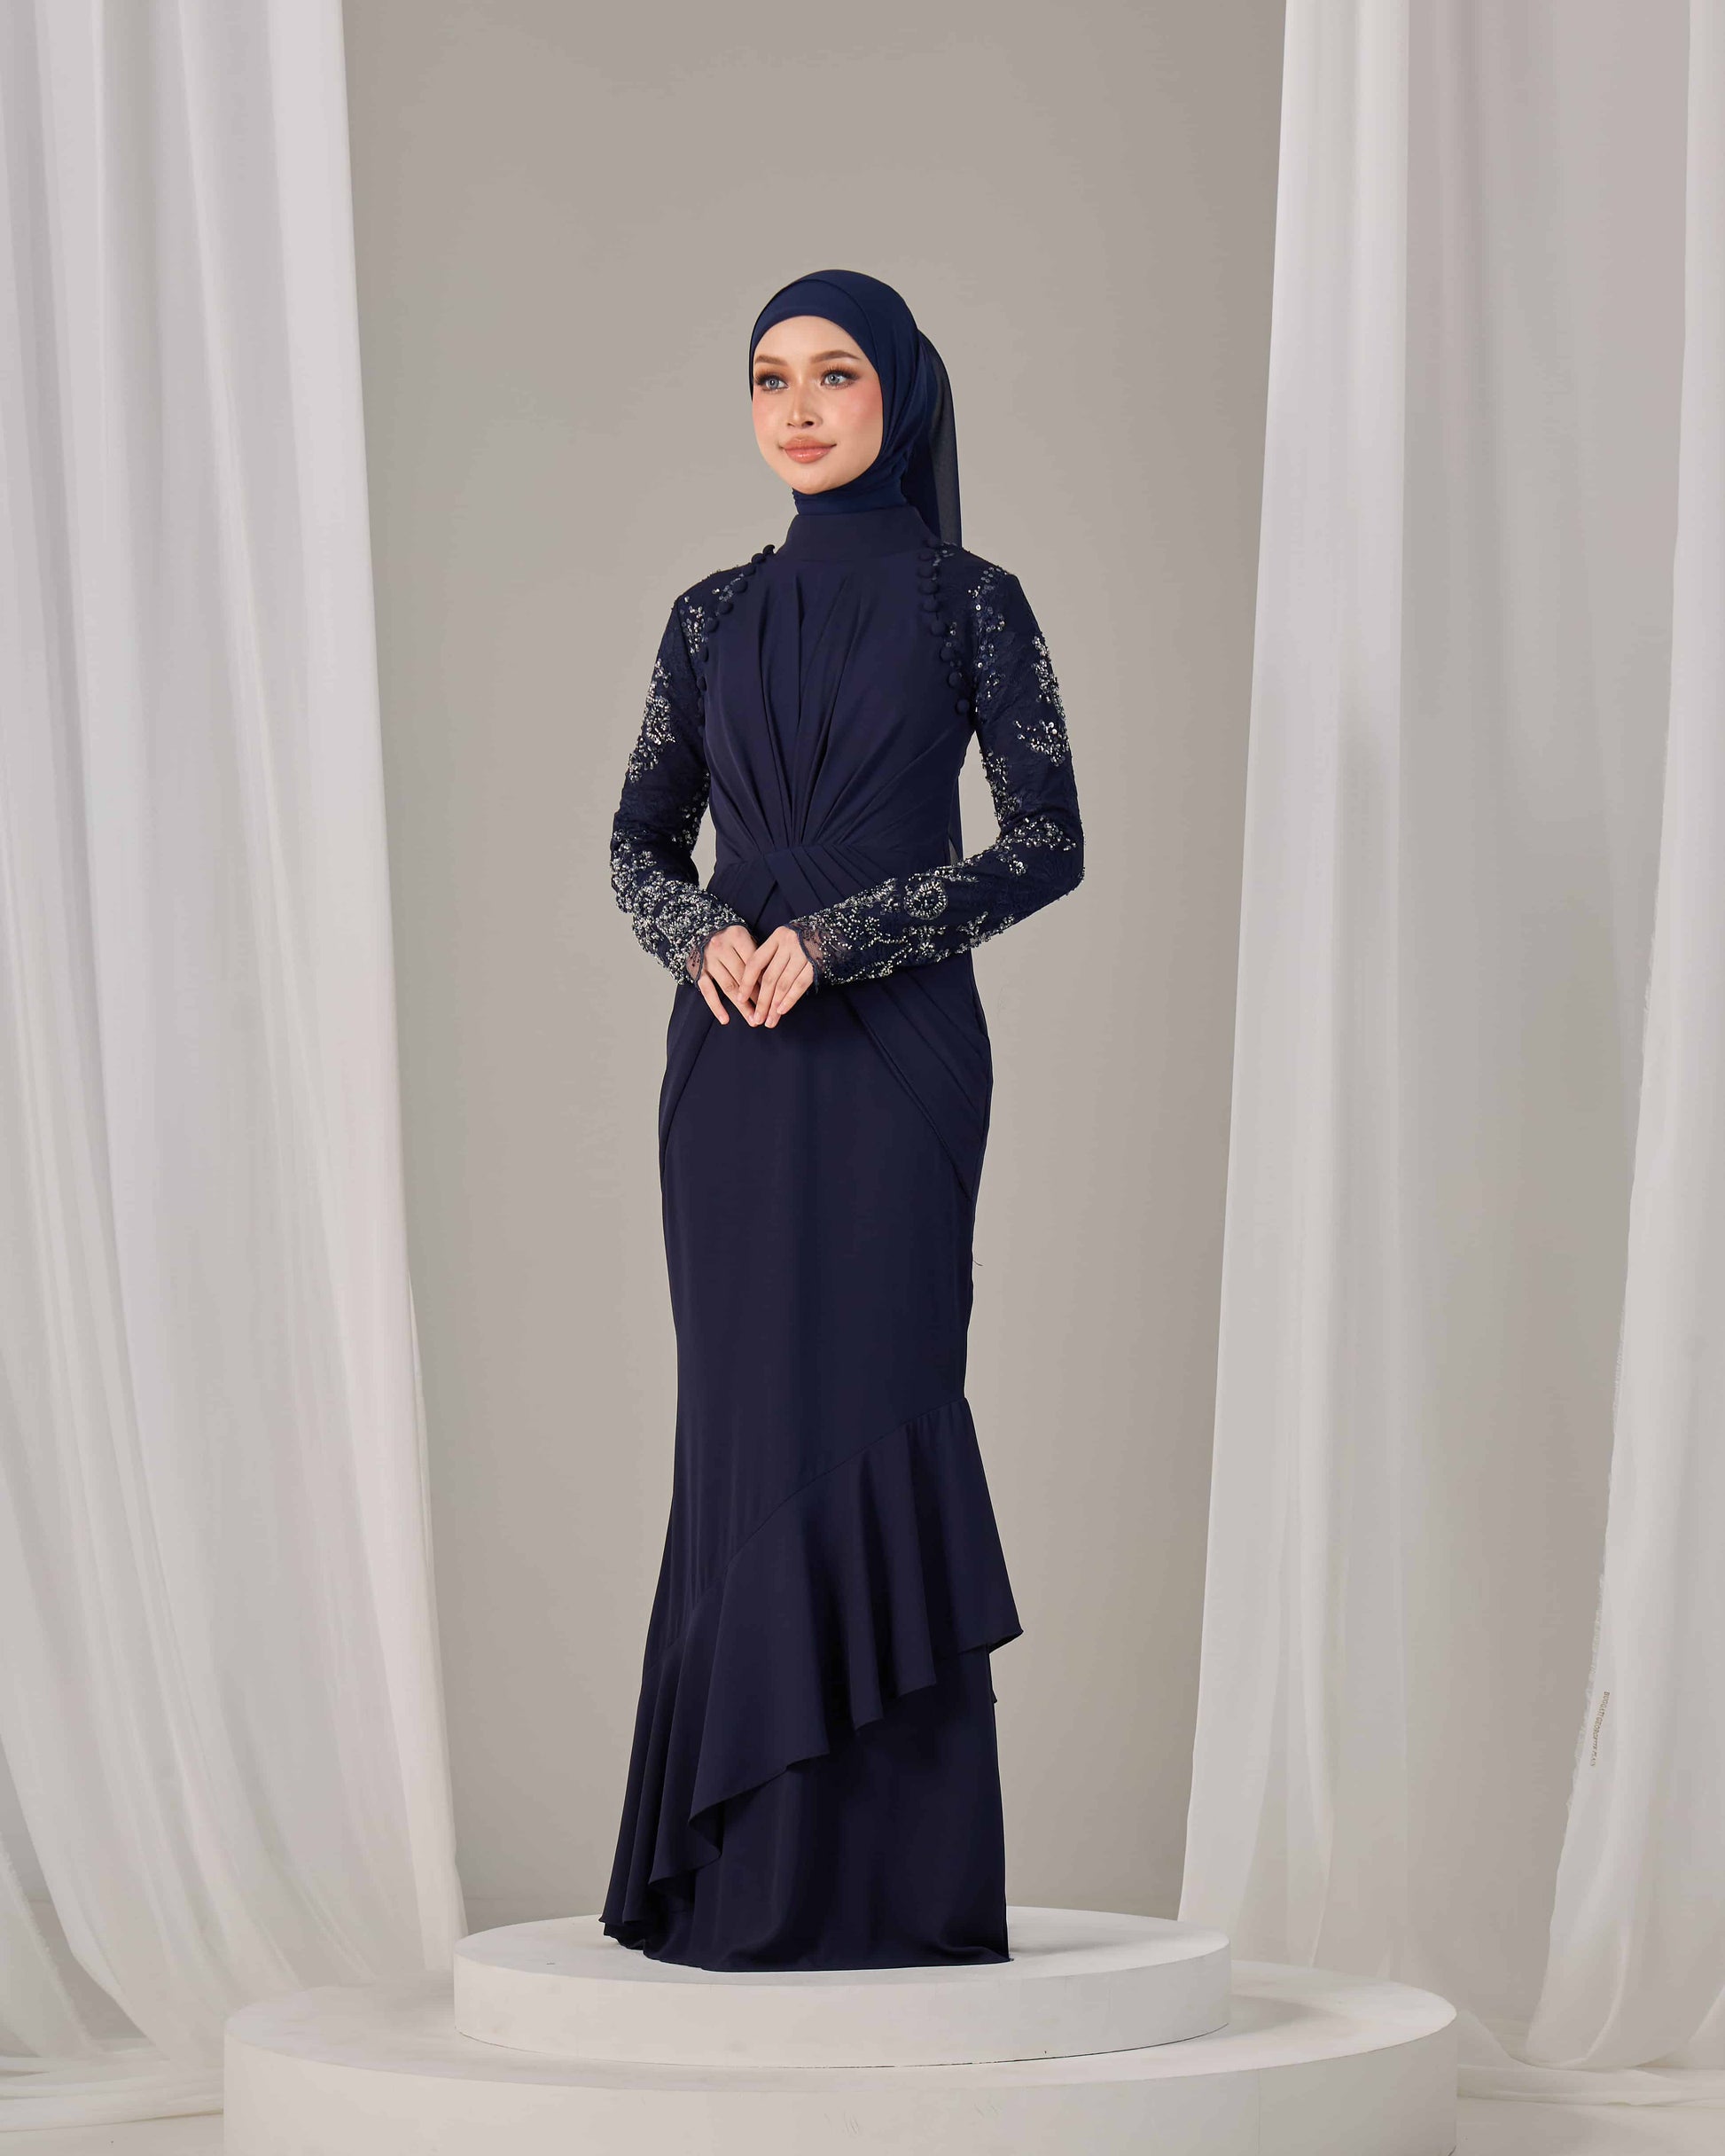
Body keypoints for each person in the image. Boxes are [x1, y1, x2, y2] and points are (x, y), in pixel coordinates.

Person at [602, 269, 1085, 1972]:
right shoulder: (707, 616)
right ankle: (733, 1874)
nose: (798, 409)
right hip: (731, 1062)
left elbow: (1046, 842)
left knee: (876, 1402)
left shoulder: (972, 604)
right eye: (769, 379)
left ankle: (891, 1884)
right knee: (742, 1429)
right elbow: (636, 842)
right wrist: (702, 938)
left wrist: (842, 937)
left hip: (894, 1057)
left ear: (903, 396)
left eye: (835, 376)